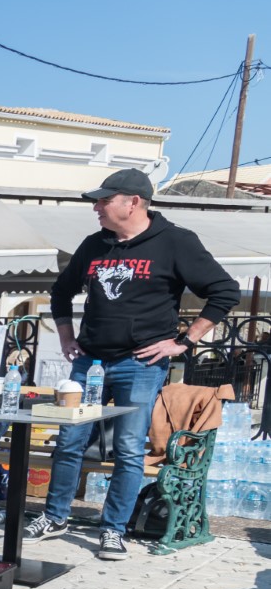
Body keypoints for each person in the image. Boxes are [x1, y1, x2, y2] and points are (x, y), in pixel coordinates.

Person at [26, 168, 240, 560]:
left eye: (104, 200)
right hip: (89, 362)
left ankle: (113, 529)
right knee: (70, 441)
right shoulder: (95, 244)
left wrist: (184, 341)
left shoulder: (175, 241)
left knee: (127, 448)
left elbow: (225, 291)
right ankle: (55, 517)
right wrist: (67, 337)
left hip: (139, 364)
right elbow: (61, 292)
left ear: (133, 202)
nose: (97, 207)